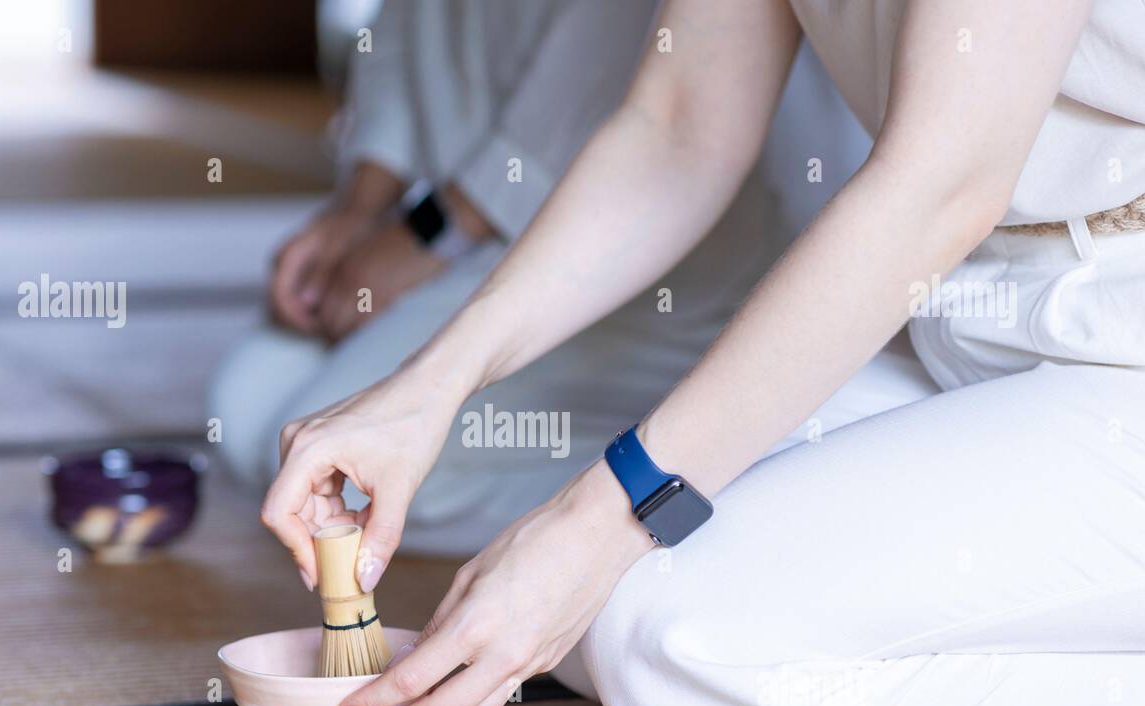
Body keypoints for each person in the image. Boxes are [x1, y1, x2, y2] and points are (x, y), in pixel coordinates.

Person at [267, 0, 1145, 706]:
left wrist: (599, 516)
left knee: (675, 650)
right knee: (585, 614)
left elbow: (940, 185)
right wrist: (427, 387)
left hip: (1137, 336)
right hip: (966, 309)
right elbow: (676, 129)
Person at [209, 0, 900, 546]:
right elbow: (399, 38)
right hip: (482, 248)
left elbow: (656, 118)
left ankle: (666, 502)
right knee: (253, 410)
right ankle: (635, 491)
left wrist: (424, 238)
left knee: (348, 475)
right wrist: (358, 209)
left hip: (636, 260)